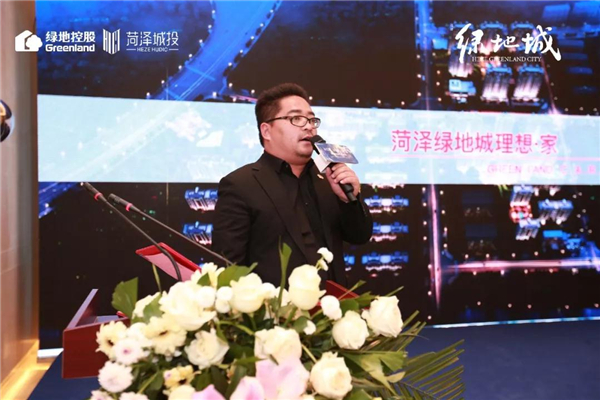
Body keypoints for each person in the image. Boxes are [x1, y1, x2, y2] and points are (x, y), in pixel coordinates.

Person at [212, 83, 372, 286]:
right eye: (296, 118)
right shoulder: (241, 185)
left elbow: (359, 236)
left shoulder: (329, 179)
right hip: (277, 305)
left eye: (311, 119)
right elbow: (228, 267)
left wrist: (349, 200)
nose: (309, 126)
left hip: (333, 303)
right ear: (266, 131)